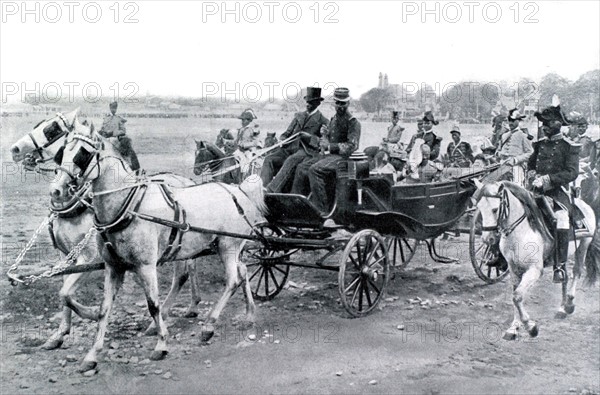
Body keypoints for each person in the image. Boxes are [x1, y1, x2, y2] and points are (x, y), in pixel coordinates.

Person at [291, 87, 361, 218]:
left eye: (343, 103)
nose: (339, 106)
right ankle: (295, 204)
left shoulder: (353, 122)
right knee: (301, 167)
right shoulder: (334, 119)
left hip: (344, 159)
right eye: (337, 103)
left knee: (315, 169)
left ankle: (321, 211)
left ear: (348, 103)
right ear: (334, 102)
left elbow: (352, 146)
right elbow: (329, 139)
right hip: (331, 157)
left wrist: (329, 146)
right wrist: (325, 134)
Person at [530, 104, 580, 283]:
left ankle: (560, 265)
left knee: (562, 219)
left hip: (558, 193)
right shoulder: (539, 144)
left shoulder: (569, 147)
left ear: (559, 123)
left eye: (548, 123)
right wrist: (533, 176)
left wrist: (548, 179)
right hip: (536, 190)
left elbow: (571, 173)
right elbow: (531, 165)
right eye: (543, 123)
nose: (544, 127)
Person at [263, 87, 329, 192]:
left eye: (311, 102)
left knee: (291, 160)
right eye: (307, 101)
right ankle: (261, 189)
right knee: (269, 159)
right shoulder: (298, 116)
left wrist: (308, 137)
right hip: (289, 148)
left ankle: (271, 191)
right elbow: (287, 133)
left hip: (307, 152)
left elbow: (322, 143)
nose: (307, 104)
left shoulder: (323, 120)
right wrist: (282, 138)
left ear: (318, 103)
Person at [99, 101, 140, 170]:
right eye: (112, 108)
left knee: (129, 150)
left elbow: (123, 131)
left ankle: (135, 168)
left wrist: (112, 133)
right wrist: (102, 132)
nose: (113, 110)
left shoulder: (119, 119)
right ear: (110, 108)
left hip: (116, 139)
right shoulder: (106, 118)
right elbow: (102, 129)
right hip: (105, 140)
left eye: (115, 108)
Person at [496, 108, 533, 185]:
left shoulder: (523, 136)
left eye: (513, 121)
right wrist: (499, 154)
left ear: (518, 121)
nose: (510, 123)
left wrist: (516, 159)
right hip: (502, 166)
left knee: (516, 188)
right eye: (509, 121)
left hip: (516, 167)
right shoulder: (504, 135)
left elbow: (530, 153)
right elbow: (498, 150)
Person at [233, 108, 261, 175]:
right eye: (241, 120)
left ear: (249, 120)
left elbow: (256, 142)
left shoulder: (254, 129)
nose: (242, 122)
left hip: (249, 151)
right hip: (239, 150)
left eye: (243, 120)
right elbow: (237, 140)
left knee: (245, 163)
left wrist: (244, 145)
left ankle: (245, 177)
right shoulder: (241, 129)